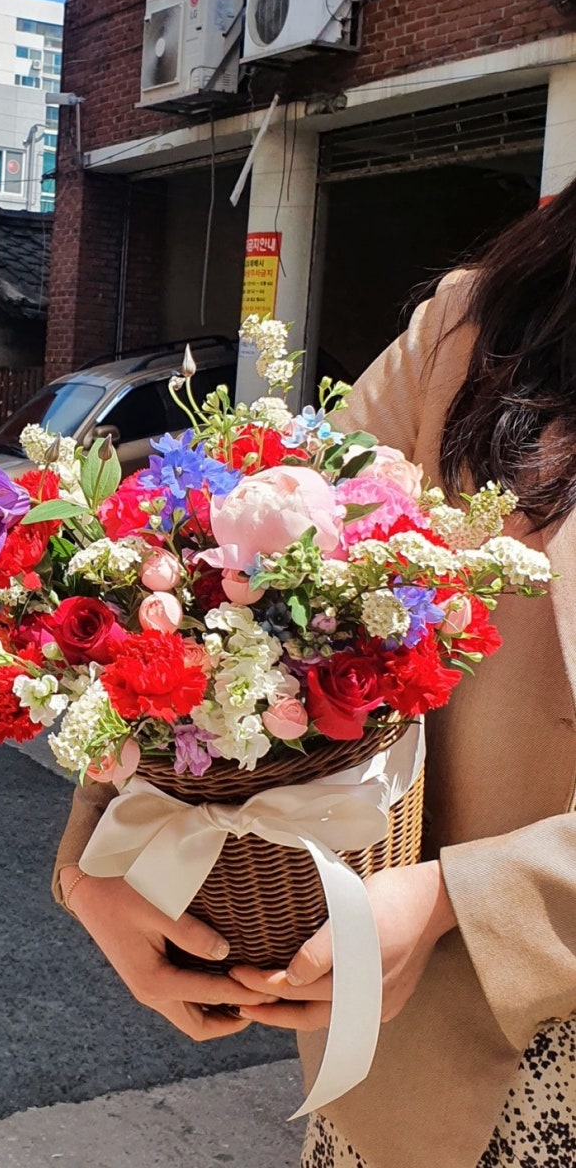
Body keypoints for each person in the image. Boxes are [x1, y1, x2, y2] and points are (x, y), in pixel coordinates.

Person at [52, 174, 576, 1168]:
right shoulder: (481, 326)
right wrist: (95, 863)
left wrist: (461, 900)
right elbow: (241, 584)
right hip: (423, 1071)